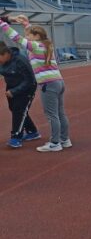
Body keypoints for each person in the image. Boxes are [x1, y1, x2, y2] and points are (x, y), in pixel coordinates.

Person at [1, 17, 72, 152]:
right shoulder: (46, 45)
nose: (27, 37)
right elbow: (30, 34)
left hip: (48, 84)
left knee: (52, 115)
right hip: (58, 82)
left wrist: (2, 23)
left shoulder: (35, 46)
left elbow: (16, 38)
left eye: (29, 35)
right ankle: (64, 139)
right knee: (60, 113)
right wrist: (26, 25)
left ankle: (55, 143)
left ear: (37, 36)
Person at [0, 42, 39, 148]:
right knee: (14, 109)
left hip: (27, 87)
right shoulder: (3, 61)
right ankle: (32, 131)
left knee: (19, 110)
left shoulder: (20, 60)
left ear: (5, 54)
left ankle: (16, 137)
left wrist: (15, 91)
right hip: (12, 85)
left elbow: (30, 80)